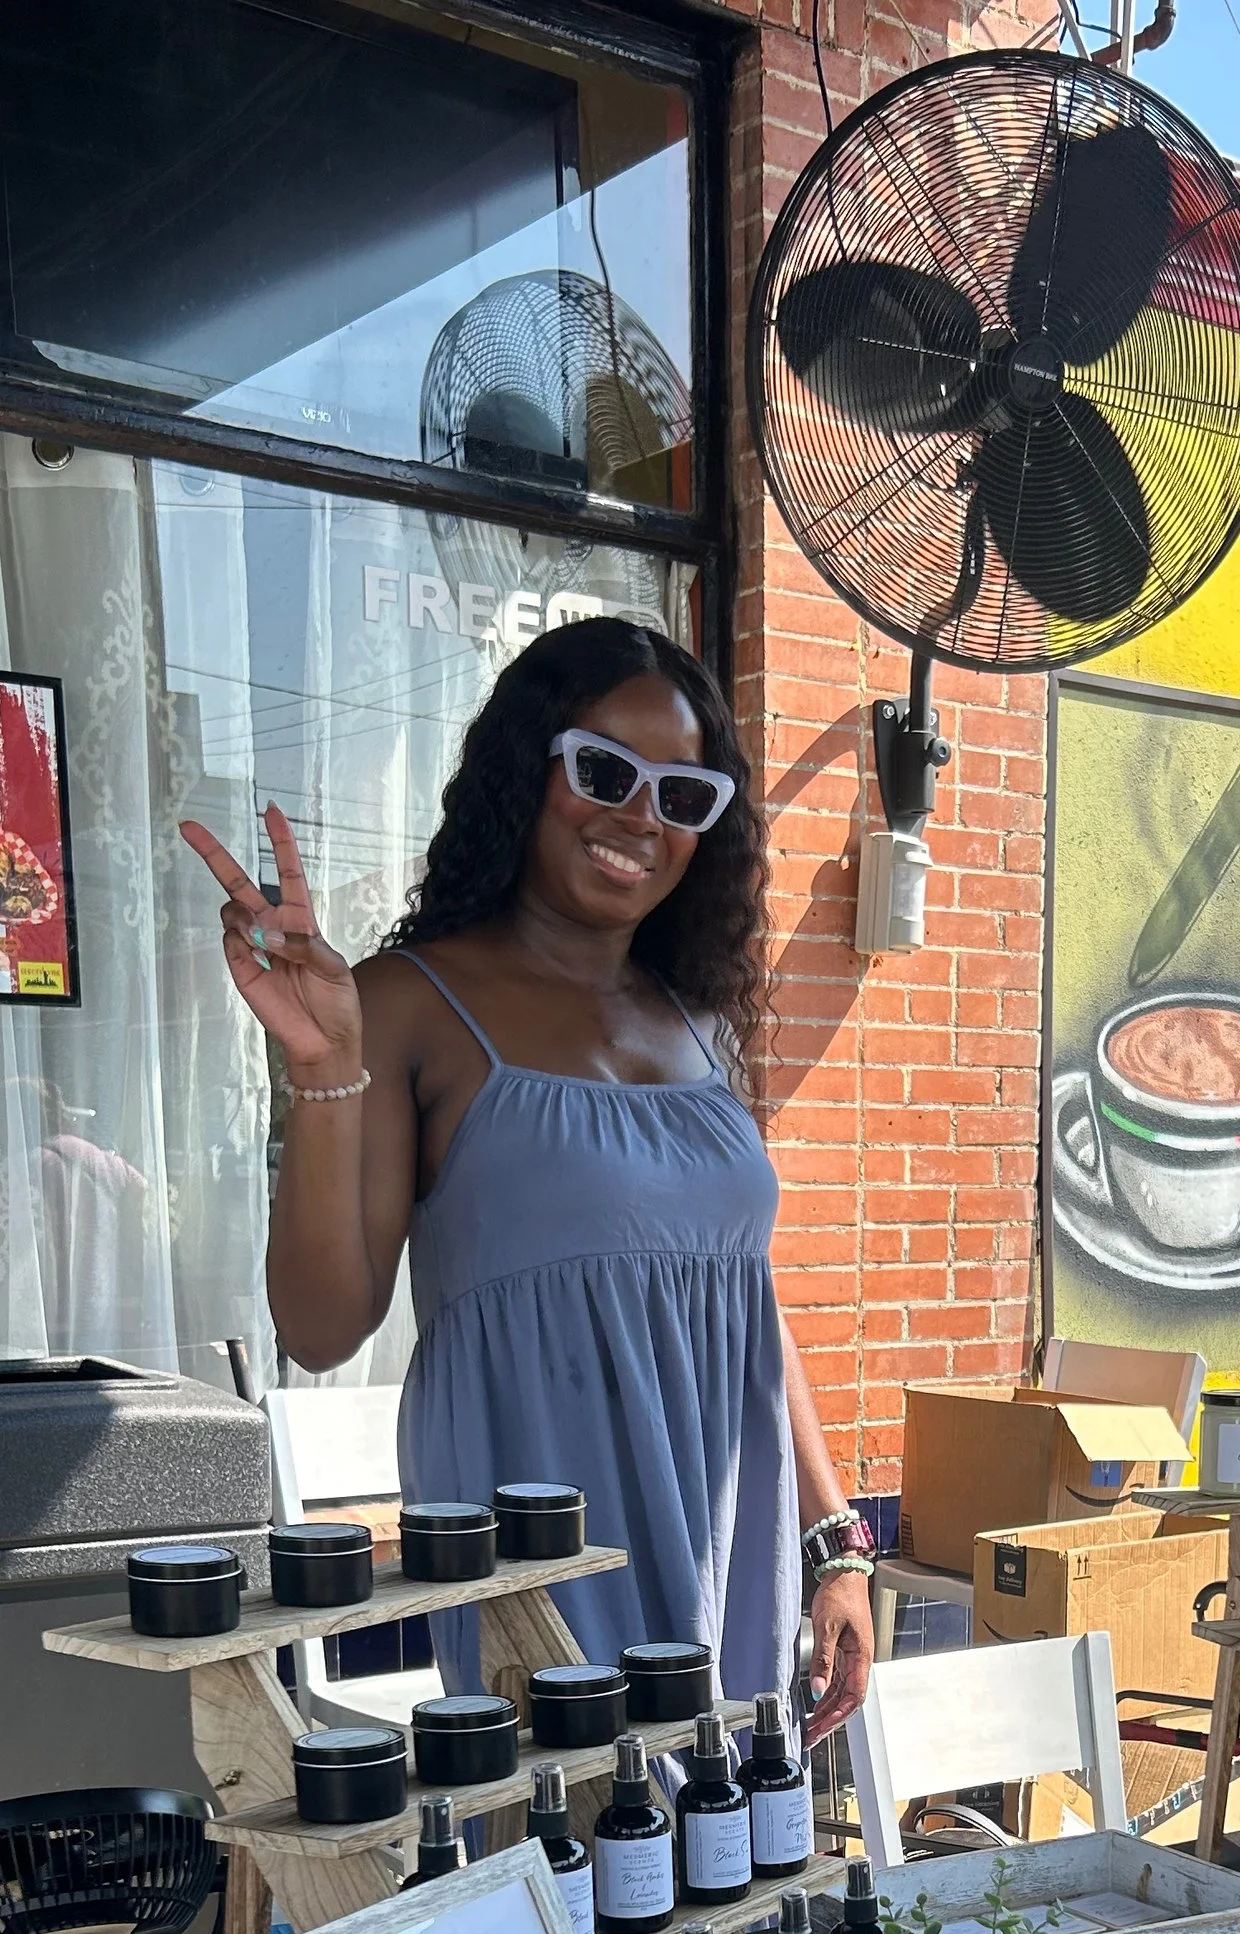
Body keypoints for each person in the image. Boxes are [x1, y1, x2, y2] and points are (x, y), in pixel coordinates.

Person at [179, 620, 874, 1735]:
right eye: (604, 771)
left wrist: (835, 1540)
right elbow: (319, 1328)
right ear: (528, 768)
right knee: (586, 1850)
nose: (640, 818)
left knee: (730, 1856)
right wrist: (322, 1072)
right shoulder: (403, 1004)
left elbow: (744, 1296)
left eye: (683, 797)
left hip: (730, 1526)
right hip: (540, 1534)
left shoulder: (701, 1022)